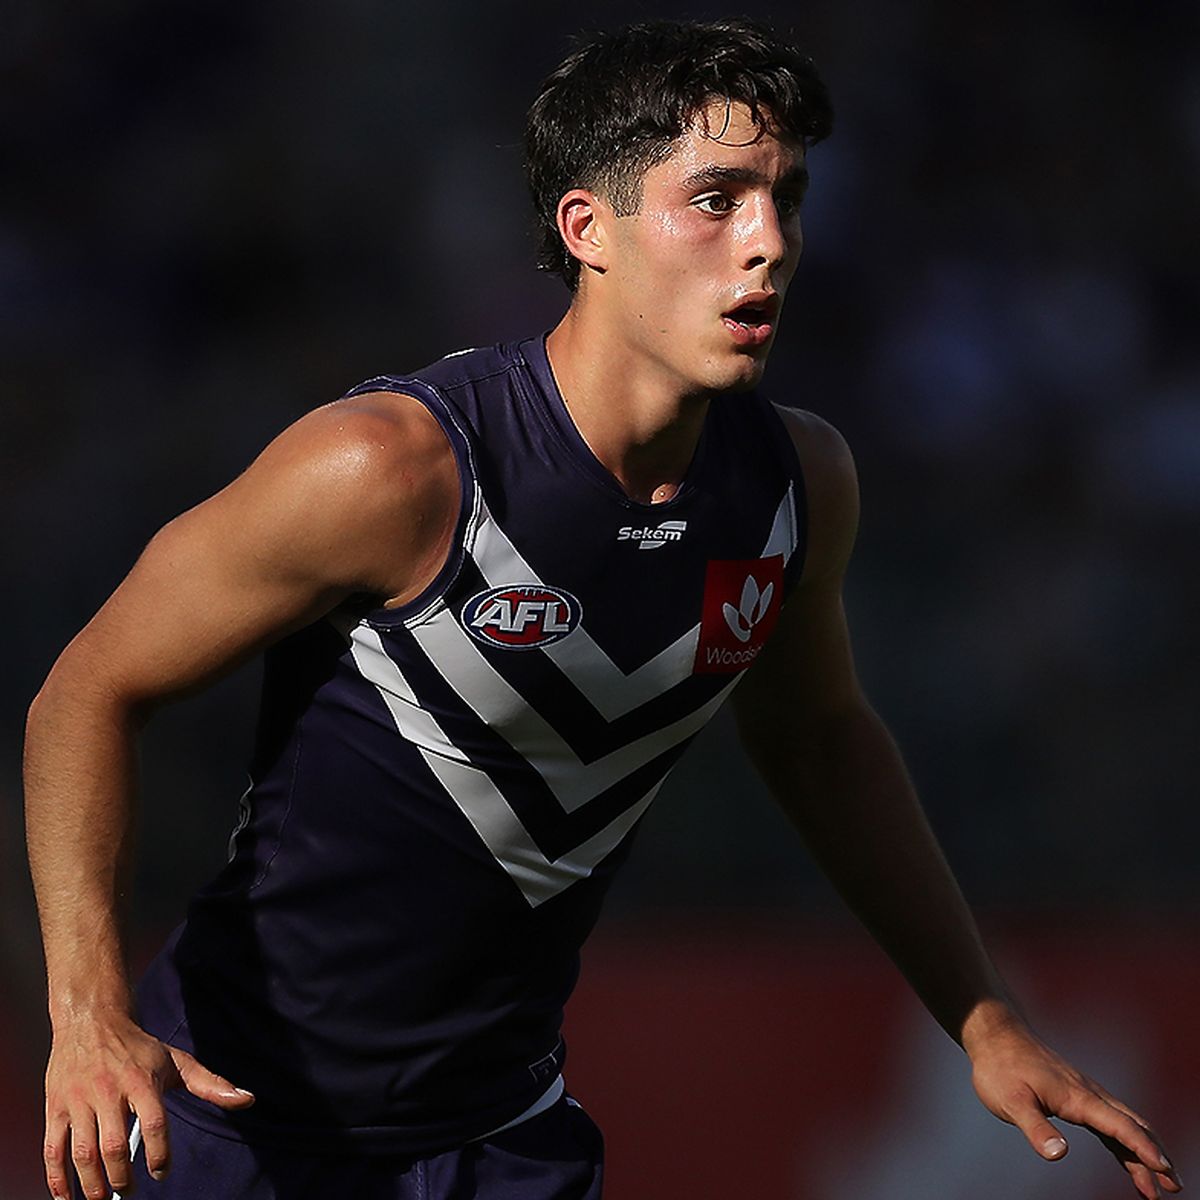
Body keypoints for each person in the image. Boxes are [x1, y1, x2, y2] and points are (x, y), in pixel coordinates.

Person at [24, 18, 1180, 1200]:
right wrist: (87, 1016)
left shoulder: (796, 486)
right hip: (233, 1131)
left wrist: (985, 1020)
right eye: (716, 200)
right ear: (588, 229)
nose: (769, 242)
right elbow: (86, 691)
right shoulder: (393, 469)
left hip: (505, 1140)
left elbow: (821, 738)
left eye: (786, 199)